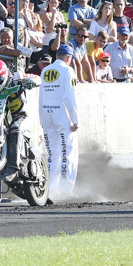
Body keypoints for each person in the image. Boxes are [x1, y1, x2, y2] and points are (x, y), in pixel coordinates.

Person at [38, 44, 79, 197]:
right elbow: (69, 96)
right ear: (69, 58)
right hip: (62, 114)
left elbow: (41, 95)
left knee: (52, 153)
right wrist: (75, 120)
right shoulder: (68, 70)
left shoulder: (46, 70)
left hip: (47, 113)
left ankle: (48, 187)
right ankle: (65, 189)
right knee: (68, 150)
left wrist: (41, 118)